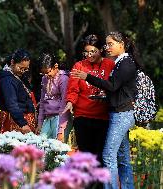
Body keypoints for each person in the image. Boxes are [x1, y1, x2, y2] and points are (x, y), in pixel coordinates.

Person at [71, 31, 140, 189]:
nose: (107, 47)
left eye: (111, 44)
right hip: (118, 113)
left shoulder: (125, 62)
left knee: (108, 156)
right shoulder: (120, 62)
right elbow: (116, 89)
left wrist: (87, 77)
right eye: (107, 44)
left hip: (121, 114)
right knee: (122, 158)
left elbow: (112, 85)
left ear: (121, 44)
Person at [63, 34, 115, 165]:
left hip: (103, 118)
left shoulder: (110, 65)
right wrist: (70, 102)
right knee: (86, 158)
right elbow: (73, 89)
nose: (89, 55)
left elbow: (114, 87)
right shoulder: (78, 66)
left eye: (93, 51)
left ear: (101, 50)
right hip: (82, 117)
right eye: (86, 52)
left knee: (100, 157)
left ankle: (99, 185)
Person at [0, 49, 36, 134]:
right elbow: (11, 103)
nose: (23, 71)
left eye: (25, 69)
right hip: (15, 121)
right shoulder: (7, 80)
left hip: (23, 119)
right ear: (12, 62)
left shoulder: (19, 76)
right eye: (21, 68)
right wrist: (22, 123)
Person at [36, 53, 70, 142]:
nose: (45, 75)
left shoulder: (63, 79)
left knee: (57, 148)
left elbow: (64, 104)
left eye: (48, 72)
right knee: (41, 145)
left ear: (55, 66)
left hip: (60, 118)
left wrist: (61, 129)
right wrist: (40, 123)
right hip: (47, 117)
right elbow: (42, 101)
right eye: (43, 73)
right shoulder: (44, 79)